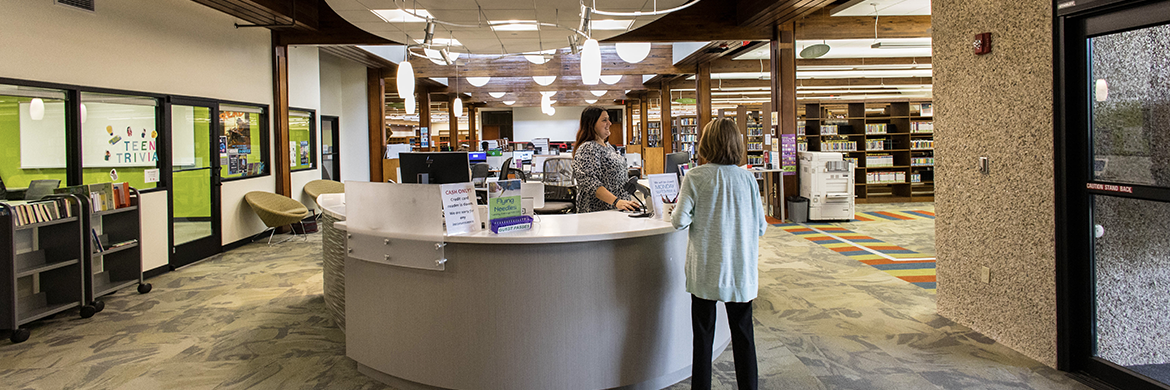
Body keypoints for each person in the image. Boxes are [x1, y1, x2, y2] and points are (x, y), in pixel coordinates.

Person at [670, 117, 767, 390]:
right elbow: (761, 227)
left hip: (706, 272)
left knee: (702, 340)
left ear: (705, 144)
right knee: (744, 337)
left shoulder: (695, 177)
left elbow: (679, 222)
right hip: (740, 271)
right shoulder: (748, 178)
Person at [572, 106, 639, 213]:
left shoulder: (608, 146)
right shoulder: (588, 148)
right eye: (604, 120)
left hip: (618, 209)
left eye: (608, 119)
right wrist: (616, 201)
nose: (609, 123)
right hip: (600, 212)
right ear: (591, 124)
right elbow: (589, 182)